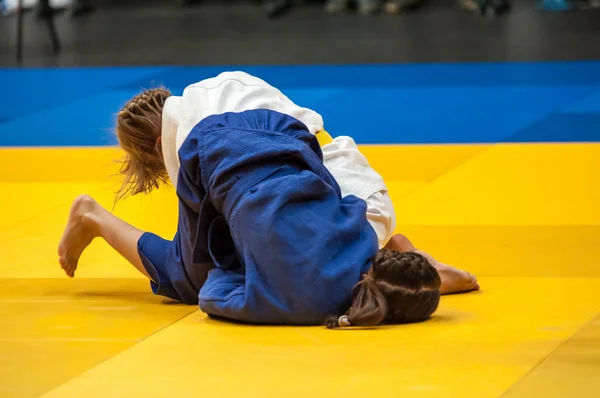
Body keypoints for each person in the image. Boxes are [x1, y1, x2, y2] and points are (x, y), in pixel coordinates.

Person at [58, 72, 477, 328]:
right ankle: (389, 254)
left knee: (185, 277)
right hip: (330, 165)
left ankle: (93, 216)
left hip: (332, 194)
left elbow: (208, 285)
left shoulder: (187, 140)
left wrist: (234, 262)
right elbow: (309, 143)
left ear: (153, 147)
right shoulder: (234, 85)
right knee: (299, 221)